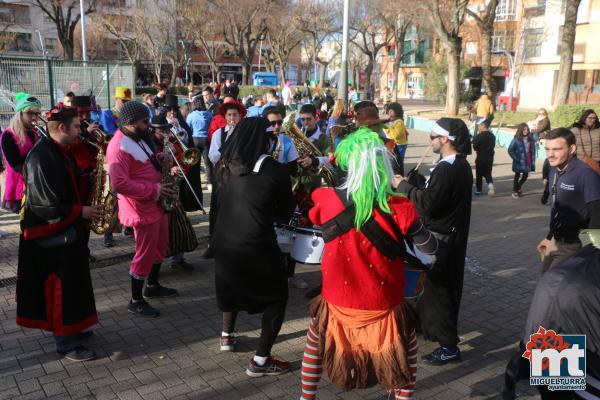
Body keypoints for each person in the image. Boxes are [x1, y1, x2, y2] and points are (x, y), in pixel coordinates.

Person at [300, 128, 438, 400]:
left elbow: (315, 218)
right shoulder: (399, 206)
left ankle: (306, 398)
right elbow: (430, 248)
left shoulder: (326, 198)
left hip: (338, 300)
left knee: (314, 343)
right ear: (383, 166)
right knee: (405, 352)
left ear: (351, 165)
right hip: (383, 302)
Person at [212, 117, 295, 377]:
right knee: (277, 296)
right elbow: (285, 212)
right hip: (256, 242)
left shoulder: (223, 166)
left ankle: (227, 336)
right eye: (270, 137)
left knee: (231, 287)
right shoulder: (274, 169)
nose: (273, 141)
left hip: (224, 242)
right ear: (263, 140)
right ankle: (260, 361)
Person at [17, 104, 101, 362]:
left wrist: (89, 180)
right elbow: (46, 204)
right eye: (77, 126)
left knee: (74, 284)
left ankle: (74, 327)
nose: (81, 130)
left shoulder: (59, 150)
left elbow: (68, 183)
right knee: (60, 288)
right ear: (62, 128)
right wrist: (80, 211)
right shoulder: (41, 156)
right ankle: (65, 343)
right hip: (50, 236)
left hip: (67, 232)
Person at [395, 117, 473, 365]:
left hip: (442, 239)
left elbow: (429, 205)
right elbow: (439, 197)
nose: (429, 142)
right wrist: (417, 184)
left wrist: (404, 186)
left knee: (439, 293)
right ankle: (428, 329)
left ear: (445, 139)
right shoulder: (456, 165)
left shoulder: (448, 168)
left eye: (432, 137)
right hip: (449, 235)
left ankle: (449, 346)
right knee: (432, 291)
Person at [106, 101, 179, 318]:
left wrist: (160, 159)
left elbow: (143, 163)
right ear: (129, 123)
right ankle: (135, 299)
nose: (149, 126)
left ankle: (153, 285)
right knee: (144, 253)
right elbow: (119, 184)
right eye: (145, 122)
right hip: (141, 207)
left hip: (154, 204)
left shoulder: (137, 137)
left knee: (160, 246)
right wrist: (154, 190)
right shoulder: (118, 147)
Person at [536, 128, 600, 273]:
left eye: (556, 149)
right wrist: (549, 237)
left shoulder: (586, 175)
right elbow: (558, 209)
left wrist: (592, 253)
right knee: (545, 282)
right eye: (547, 149)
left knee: (554, 288)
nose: (550, 154)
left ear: (572, 149)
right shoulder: (554, 169)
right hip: (555, 241)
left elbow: (597, 214)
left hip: (575, 245)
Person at [149, 112, 199, 271]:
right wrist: (169, 168)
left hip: (172, 190)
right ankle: (152, 267)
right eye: (160, 131)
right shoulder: (149, 146)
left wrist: (175, 151)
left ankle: (178, 259)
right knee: (159, 233)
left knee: (181, 226)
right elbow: (150, 168)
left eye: (166, 130)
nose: (164, 134)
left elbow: (186, 161)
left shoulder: (171, 142)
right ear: (154, 131)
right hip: (157, 191)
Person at [1, 93, 41, 213]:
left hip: (36, 183)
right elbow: (15, 163)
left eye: (37, 114)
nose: (34, 117)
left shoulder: (35, 132)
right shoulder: (9, 135)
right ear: (20, 113)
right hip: (20, 186)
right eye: (30, 113)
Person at [186, 96, 214, 190]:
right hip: (206, 139)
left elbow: (188, 128)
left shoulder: (191, 115)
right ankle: (210, 183)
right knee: (207, 163)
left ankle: (196, 183)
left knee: (195, 163)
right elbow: (211, 126)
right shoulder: (209, 114)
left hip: (195, 139)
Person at [508, 123, 536, 198]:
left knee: (525, 175)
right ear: (520, 130)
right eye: (524, 129)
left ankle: (518, 187)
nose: (526, 131)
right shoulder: (516, 139)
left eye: (527, 129)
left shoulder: (531, 139)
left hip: (528, 159)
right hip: (519, 160)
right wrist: (516, 158)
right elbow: (510, 150)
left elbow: (532, 150)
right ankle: (515, 191)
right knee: (517, 175)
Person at [570, 108, 600, 173]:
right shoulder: (576, 129)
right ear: (584, 118)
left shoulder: (598, 130)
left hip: (597, 161)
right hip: (582, 161)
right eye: (590, 118)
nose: (592, 120)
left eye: (594, 118)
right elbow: (574, 146)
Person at [472, 118, 496, 196]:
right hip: (490, 157)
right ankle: (490, 185)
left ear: (483, 126)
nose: (478, 127)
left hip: (480, 157)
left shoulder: (479, 136)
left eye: (479, 125)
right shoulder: (492, 136)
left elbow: (475, 147)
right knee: (488, 172)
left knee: (479, 174)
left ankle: (479, 190)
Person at [385, 102, 409, 175]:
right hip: (393, 144)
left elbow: (395, 135)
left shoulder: (399, 122)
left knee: (398, 162)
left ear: (397, 111)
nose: (389, 111)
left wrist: (387, 128)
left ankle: (399, 176)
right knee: (393, 161)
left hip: (399, 145)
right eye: (389, 110)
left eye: (392, 110)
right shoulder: (390, 121)